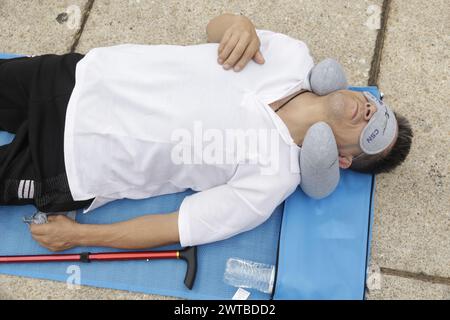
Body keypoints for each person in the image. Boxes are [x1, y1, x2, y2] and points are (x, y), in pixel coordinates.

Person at [0, 13, 412, 252]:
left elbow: (174, 226)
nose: (369, 111)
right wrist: (239, 24)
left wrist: (79, 236)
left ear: (343, 159)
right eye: (378, 107)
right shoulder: (291, 55)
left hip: (71, 163)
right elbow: (216, 29)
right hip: (79, 78)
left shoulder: (272, 182)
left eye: (372, 131)